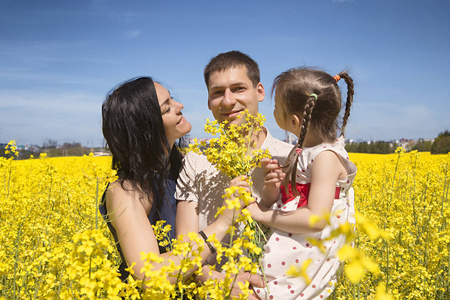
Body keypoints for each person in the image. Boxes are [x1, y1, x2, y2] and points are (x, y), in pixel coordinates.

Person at [99, 76, 243, 285]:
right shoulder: (126, 191)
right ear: (146, 129)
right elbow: (151, 275)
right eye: (166, 109)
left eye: (172, 99)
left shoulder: (186, 167)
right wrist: (223, 223)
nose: (180, 106)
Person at [175, 51, 293, 296]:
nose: (227, 101)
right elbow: (183, 249)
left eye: (238, 89)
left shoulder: (291, 157)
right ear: (208, 102)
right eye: (217, 93)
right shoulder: (196, 161)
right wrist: (223, 284)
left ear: (259, 91)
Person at [246, 67, 357, 299]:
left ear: (295, 120)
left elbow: (315, 219)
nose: (273, 111)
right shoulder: (302, 151)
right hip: (293, 241)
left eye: (276, 107)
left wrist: (262, 215)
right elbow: (291, 199)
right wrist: (272, 187)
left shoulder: (326, 157)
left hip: (306, 251)